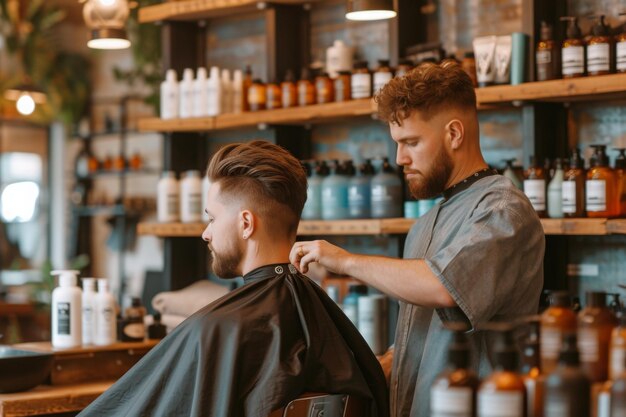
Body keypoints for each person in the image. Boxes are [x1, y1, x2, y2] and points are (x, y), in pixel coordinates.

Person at [290, 61, 545, 417]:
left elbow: (444, 288)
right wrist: (387, 363)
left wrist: (344, 260)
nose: (400, 158)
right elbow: (426, 327)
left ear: (454, 134)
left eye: (411, 142)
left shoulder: (502, 210)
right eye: (397, 143)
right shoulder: (424, 225)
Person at [79, 141, 388, 417]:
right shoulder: (320, 316)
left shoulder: (214, 330)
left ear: (245, 223)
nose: (206, 232)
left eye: (212, 218)